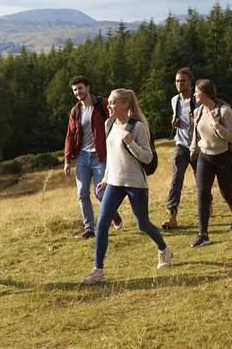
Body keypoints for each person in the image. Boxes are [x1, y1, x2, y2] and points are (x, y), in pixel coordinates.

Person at [81, 89, 173, 285]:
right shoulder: (109, 124)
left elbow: (147, 157)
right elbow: (110, 156)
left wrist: (131, 143)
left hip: (135, 183)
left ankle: (164, 249)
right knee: (102, 224)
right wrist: (105, 178)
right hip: (114, 182)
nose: (108, 106)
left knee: (143, 224)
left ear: (125, 105)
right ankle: (98, 271)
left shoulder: (137, 127)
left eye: (113, 103)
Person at [64, 75, 123, 240]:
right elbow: (70, 135)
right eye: (75, 90)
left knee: (101, 194)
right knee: (82, 193)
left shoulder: (102, 104)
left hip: (100, 156)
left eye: (80, 88)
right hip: (82, 157)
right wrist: (67, 160)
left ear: (87, 88)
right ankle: (89, 229)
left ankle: (114, 214)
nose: (78, 92)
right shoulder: (75, 111)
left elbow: (116, 122)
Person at [189, 79, 232, 247]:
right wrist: (193, 149)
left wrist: (216, 125)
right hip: (205, 157)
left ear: (204, 93)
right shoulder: (198, 111)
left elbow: (231, 136)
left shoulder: (224, 111)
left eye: (196, 91)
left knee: (226, 193)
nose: (194, 94)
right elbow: (196, 133)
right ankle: (203, 234)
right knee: (202, 194)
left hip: (223, 158)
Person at [162, 68, 212, 229]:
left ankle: (207, 203)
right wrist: (174, 122)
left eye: (183, 81)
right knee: (176, 180)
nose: (179, 84)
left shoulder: (198, 100)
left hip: (199, 147)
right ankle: (172, 214)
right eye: (177, 81)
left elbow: (209, 118)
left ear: (190, 82)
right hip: (181, 145)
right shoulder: (174, 100)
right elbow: (176, 117)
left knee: (201, 181)